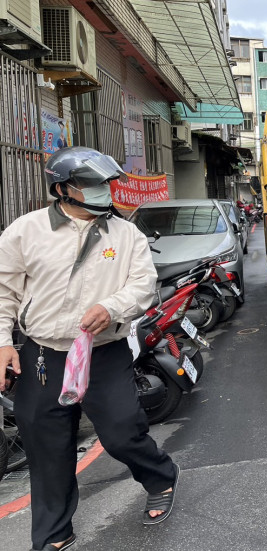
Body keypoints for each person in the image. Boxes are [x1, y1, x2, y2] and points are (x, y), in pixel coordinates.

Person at [0, 147, 179, 551]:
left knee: (121, 432)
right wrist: (3, 343)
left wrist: (111, 307)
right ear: (63, 189)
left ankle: (160, 476)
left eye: (105, 184)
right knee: (46, 446)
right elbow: (4, 292)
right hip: (43, 354)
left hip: (103, 351)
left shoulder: (125, 234)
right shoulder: (25, 231)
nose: (103, 191)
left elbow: (143, 286)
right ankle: (53, 533)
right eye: (91, 184)